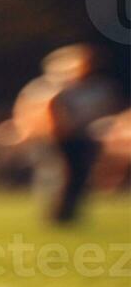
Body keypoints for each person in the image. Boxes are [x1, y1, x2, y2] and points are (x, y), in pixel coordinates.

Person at [14, 44, 123, 224]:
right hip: (52, 138)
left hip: (82, 136)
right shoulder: (46, 88)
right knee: (57, 173)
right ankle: (55, 213)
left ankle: (70, 213)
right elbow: (31, 112)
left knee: (79, 175)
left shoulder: (97, 88)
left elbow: (105, 111)